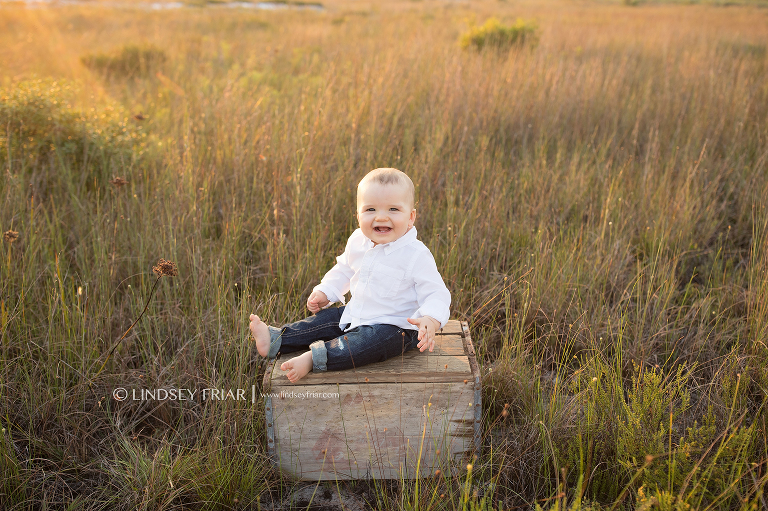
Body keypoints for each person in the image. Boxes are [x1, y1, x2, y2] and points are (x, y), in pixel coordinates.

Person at [249, 168, 451, 383]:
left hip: (397, 327)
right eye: (370, 209)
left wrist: (431, 318)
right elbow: (344, 268)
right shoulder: (358, 240)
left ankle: (314, 358)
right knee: (325, 320)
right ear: (358, 215)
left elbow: (436, 293)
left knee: (369, 343)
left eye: (393, 209)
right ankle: (277, 339)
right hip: (357, 312)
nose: (381, 217)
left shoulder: (416, 254)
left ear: (411, 217)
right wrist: (326, 290)